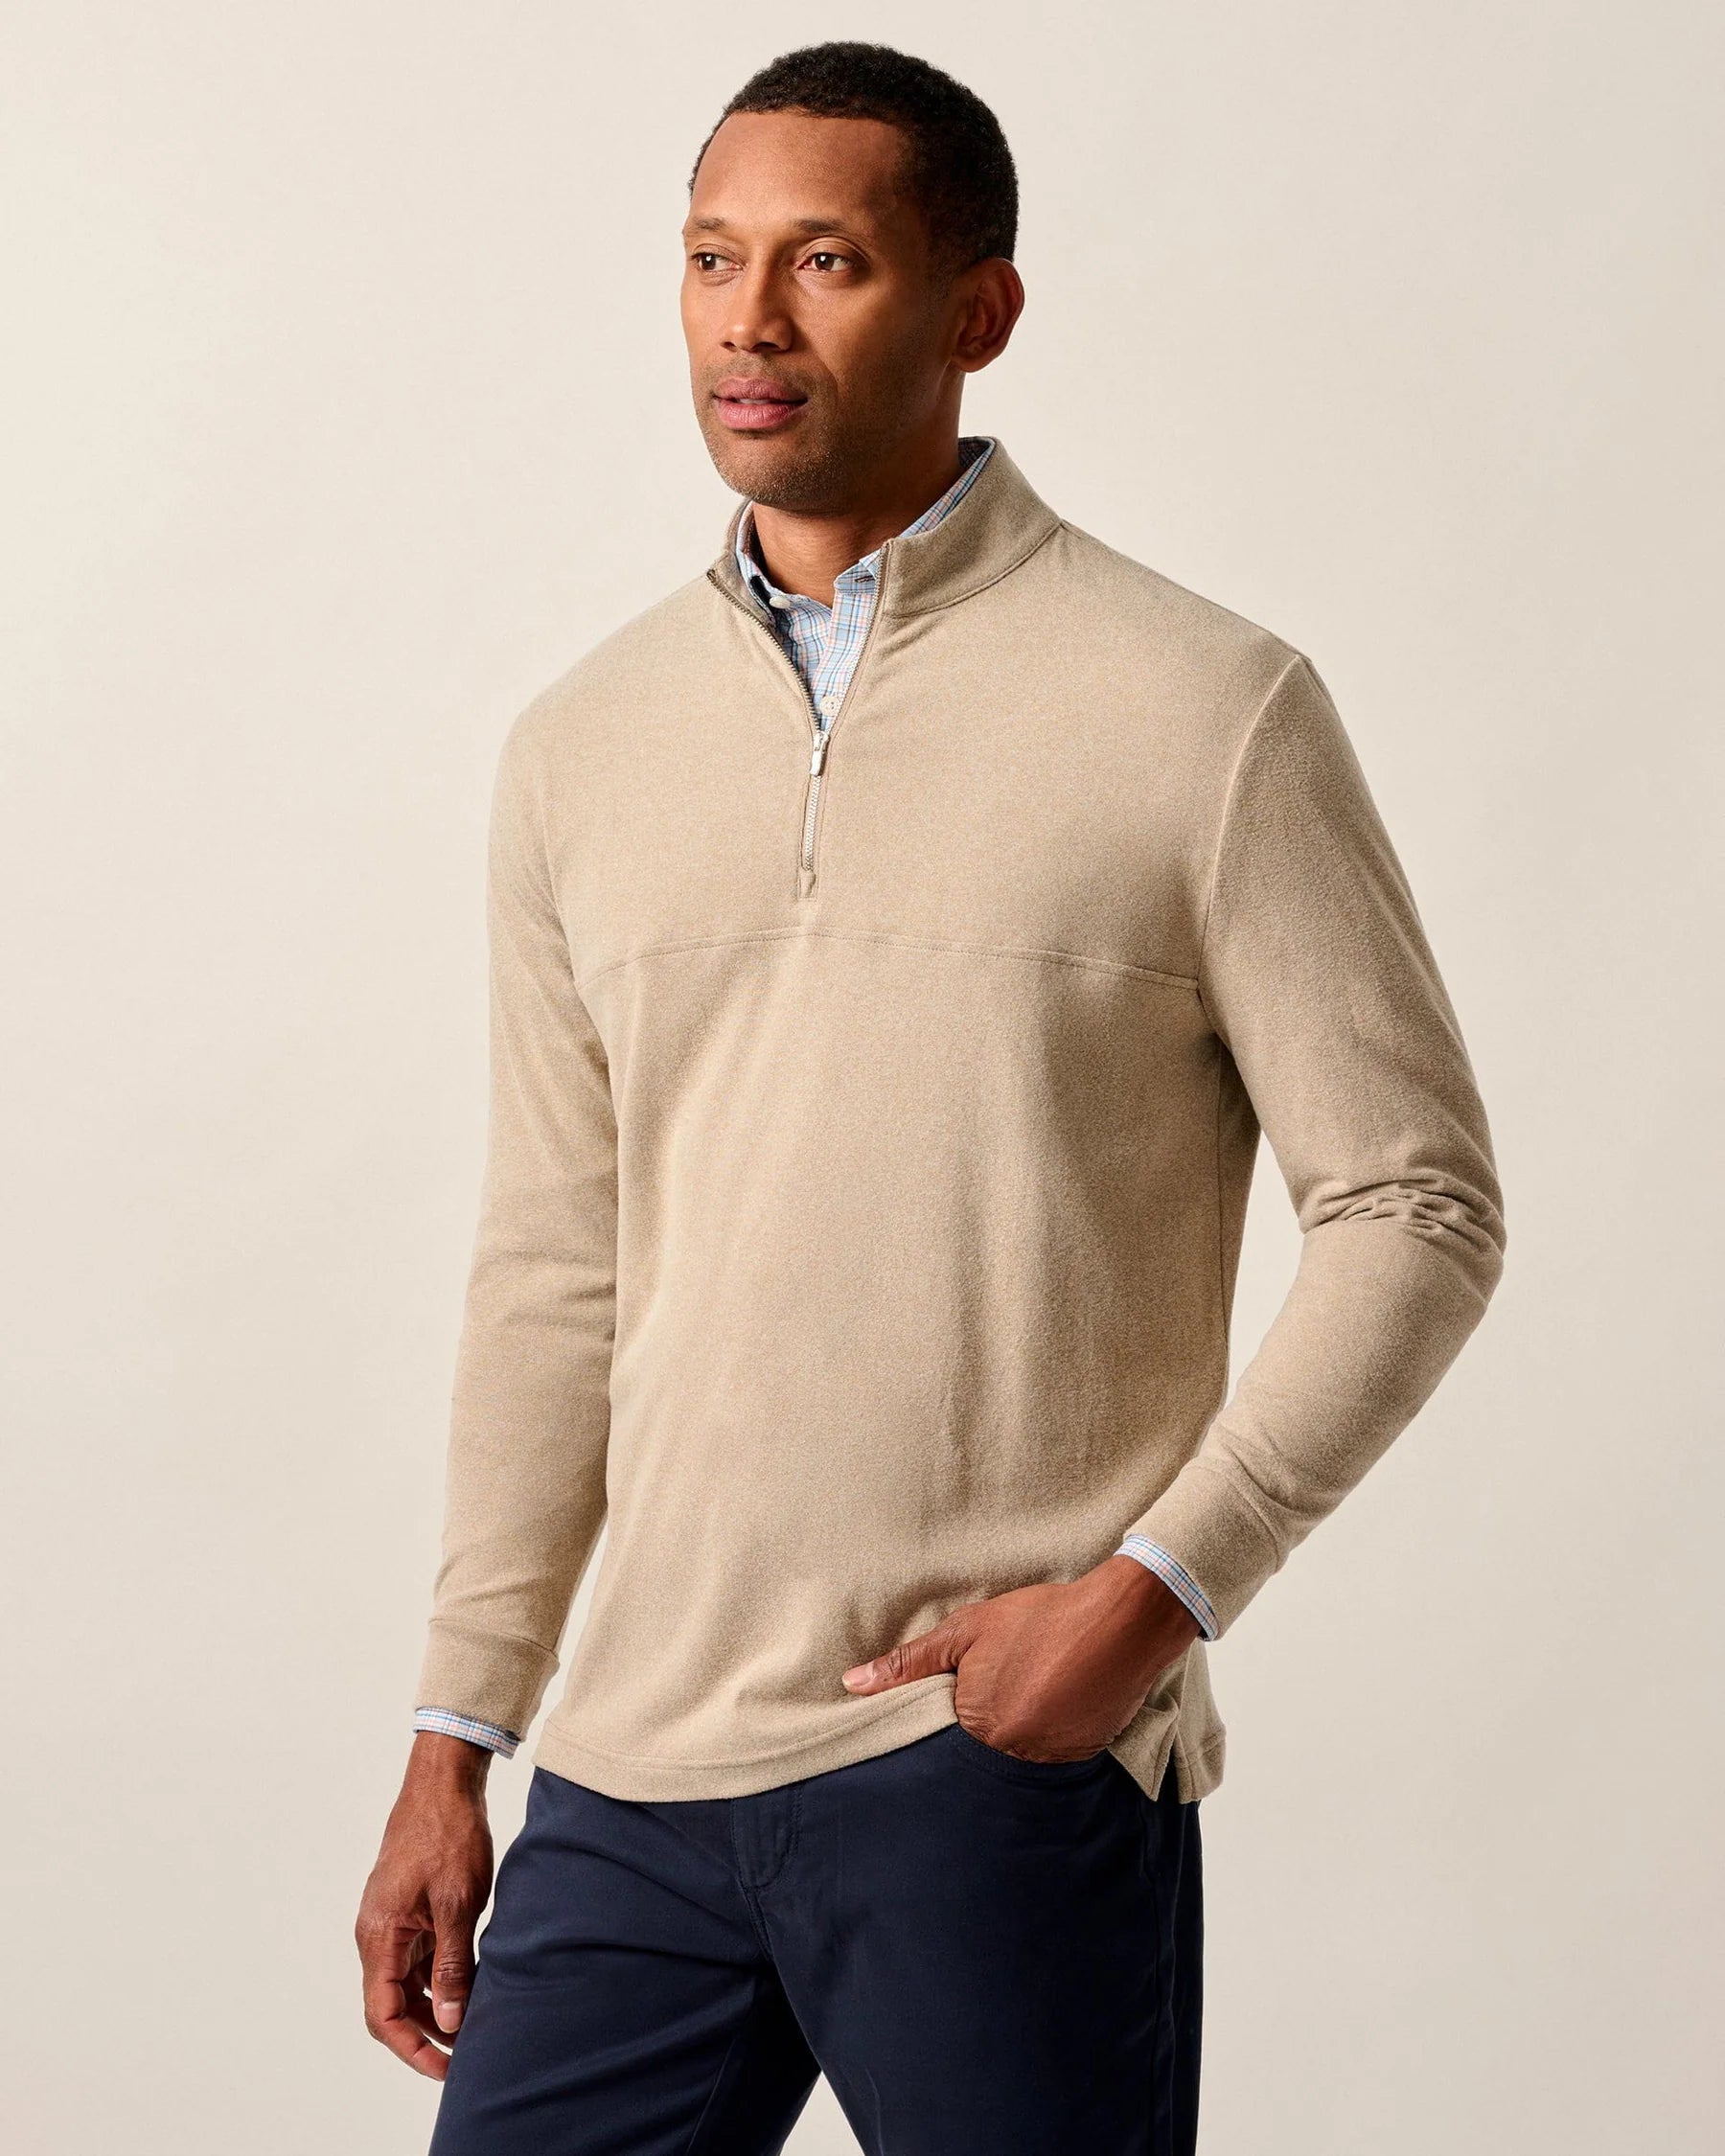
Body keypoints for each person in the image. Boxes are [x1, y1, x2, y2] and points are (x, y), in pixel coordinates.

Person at [356, 39, 1506, 2156]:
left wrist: (1150, 1602)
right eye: (711, 258)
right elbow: (552, 1272)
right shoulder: (581, 745)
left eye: (825, 262)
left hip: (985, 1755)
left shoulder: (1205, 709)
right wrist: (460, 1727)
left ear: (979, 308)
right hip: (628, 1772)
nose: (749, 322)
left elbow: (1414, 1203)